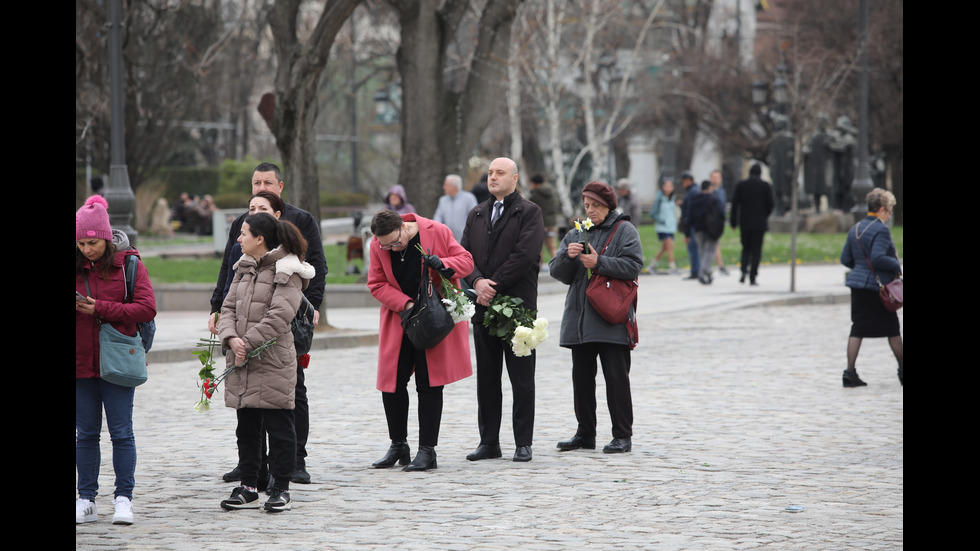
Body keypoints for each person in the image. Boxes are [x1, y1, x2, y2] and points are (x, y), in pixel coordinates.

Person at [208, 162, 327, 486]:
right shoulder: (242, 227)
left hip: (281, 330)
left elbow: (316, 266)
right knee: (248, 400)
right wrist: (218, 310)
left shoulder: (299, 223)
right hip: (243, 326)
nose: (261, 188)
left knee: (287, 395)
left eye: (267, 183)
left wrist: (310, 307)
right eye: (256, 183)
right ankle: (253, 466)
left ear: (280, 188)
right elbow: (228, 270)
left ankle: (292, 462)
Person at [218, 212, 316, 512]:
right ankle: (249, 486)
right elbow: (228, 307)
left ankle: (281, 488)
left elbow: (279, 315)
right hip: (242, 357)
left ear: (260, 239)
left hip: (272, 359)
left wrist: (246, 343)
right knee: (246, 427)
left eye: (244, 233)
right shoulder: (243, 267)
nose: (238, 238)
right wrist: (231, 338)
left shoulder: (289, 270)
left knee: (279, 426)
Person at [367, 210, 475, 471]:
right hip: (400, 317)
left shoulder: (437, 231)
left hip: (433, 318)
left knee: (429, 384)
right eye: (386, 245)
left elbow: (467, 261)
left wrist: (444, 264)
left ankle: (427, 451)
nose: (392, 248)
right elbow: (376, 283)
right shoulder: (377, 244)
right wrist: (405, 304)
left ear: (405, 227)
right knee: (391, 384)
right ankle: (398, 445)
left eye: (396, 243)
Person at [76, 195, 157, 525]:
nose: (86, 249)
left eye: (92, 242)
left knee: (121, 433)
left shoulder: (130, 265)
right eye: (80, 242)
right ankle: (86, 499)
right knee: (85, 434)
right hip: (81, 363)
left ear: (106, 238)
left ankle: (124, 498)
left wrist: (100, 308)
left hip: (118, 361)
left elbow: (146, 308)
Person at [460, 157, 545, 463]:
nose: (493, 177)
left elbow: (525, 255)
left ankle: (523, 442)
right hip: (483, 308)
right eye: (491, 172)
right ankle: (489, 441)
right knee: (487, 377)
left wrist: (491, 284)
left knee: (521, 378)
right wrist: (477, 281)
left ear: (515, 179)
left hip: (517, 309)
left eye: (500, 173)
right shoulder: (478, 212)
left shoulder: (529, 212)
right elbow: (464, 254)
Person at [549, 181, 643, 454]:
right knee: (582, 379)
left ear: (608, 205)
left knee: (616, 379)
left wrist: (598, 262)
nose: (590, 211)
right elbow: (557, 271)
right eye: (587, 205)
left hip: (610, 318)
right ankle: (585, 433)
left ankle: (622, 436)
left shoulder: (624, 230)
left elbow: (634, 266)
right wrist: (568, 256)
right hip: (579, 320)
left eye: (596, 206)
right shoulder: (577, 233)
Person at [839, 188, 903, 387]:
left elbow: (845, 258)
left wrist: (860, 269)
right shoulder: (881, 229)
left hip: (857, 286)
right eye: (890, 210)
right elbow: (877, 258)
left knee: (857, 328)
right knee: (892, 329)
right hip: (877, 288)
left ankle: (849, 372)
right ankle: (903, 370)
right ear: (882, 209)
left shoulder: (856, 228)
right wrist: (896, 264)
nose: (890, 215)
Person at [730, 163, 775, 285]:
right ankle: (753, 276)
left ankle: (743, 271)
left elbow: (734, 205)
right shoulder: (765, 186)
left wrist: (733, 222)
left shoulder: (741, 185)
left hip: (745, 223)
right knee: (757, 250)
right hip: (759, 224)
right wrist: (764, 215)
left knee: (745, 248)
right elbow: (771, 205)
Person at [689, 180, 726, 285]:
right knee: (710, 251)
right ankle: (704, 271)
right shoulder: (714, 199)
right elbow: (721, 213)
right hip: (712, 230)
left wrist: (688, 232)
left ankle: (706, 272)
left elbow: (689, 216)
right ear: (710, 188)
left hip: (698, 230)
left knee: (702, 252)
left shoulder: (695, 200)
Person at [432, 174, 478, 242]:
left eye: (446, 185)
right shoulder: (443, 200)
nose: (444, 187)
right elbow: (437, 217)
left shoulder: (469, 198)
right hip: (446, 240)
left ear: (454, 187)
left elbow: (475, 218)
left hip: (464, 241)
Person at [647, 179, 678, 274]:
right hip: (662, 227)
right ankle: (672, 267)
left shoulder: (673, 198)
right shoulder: (659, 198)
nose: (668, 188)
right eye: (666, 186)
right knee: (670, 246)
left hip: (671, 227)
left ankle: (652, 266)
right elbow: (652, 213)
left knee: (664, 248)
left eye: (670, 186)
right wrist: (661, 220)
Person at [527, 174, 560, 261]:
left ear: (535, 184)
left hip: (540, 224)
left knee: (538, 247)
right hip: (551, 223)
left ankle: (539, 268)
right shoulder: (551, 192)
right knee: (552, 246)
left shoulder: (535, 196)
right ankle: (557, 264)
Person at [678, 171, 701, 280]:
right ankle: (696, 270)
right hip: (694, 224)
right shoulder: (693, 191)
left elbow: (690, 211)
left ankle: (695, 271)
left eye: (683, 182)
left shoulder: (693, 192)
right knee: (694, 248)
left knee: (693, 248)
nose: (682, 184)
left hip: (692, 225)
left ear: (688, 181)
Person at [708, 170, 729, 275]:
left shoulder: (722, 192)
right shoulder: (708, 191)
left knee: (716, 244)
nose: (715, 179)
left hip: (718, 222)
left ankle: (717, 266)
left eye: (717, 177)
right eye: (713, 177)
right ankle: (717, 266)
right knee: (712, 244)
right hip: (709, 222)